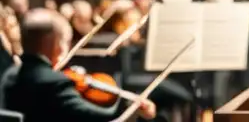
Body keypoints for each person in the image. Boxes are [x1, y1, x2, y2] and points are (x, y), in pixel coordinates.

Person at [0, 9, 157, 120]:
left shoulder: (9, 75)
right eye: (65, 42)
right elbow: (101, 118)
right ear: (56, 44)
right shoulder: (54, 82)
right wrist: (131, 106)